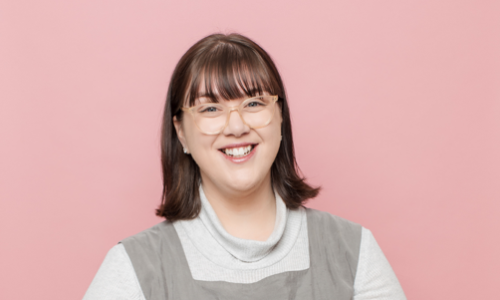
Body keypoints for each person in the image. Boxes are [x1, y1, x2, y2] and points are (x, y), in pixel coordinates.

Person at [83, 33, 406, 300]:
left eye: (253, 103)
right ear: (181, 131)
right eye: (210, 108)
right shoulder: (135, 269)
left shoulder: (353, 252)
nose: (236, 126)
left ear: (280, 117)